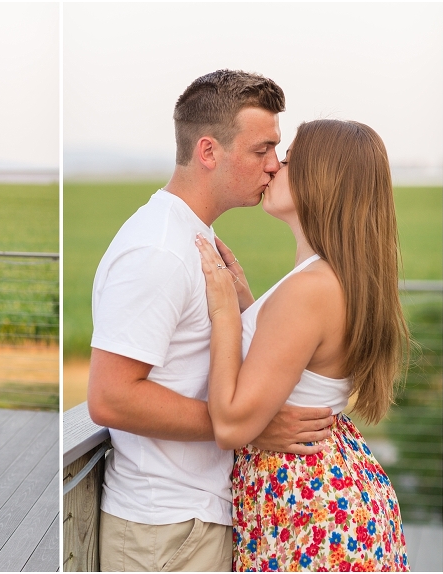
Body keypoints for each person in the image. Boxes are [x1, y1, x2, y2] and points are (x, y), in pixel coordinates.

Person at [87, 70, 335, 572]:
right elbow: (110, 396)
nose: (274, 166)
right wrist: (246, 427)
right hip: (167, 528)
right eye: (262, 150)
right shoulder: (159, 249)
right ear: (208, 151)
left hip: (193, 520)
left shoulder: (189, 238)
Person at [196, 119, 409, 571]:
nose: (273, 167)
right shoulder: (331, 277)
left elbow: (231, 424)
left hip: (309, 508)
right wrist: (251, 306)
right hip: (329, 494)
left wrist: (224, 316)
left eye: (288, 160)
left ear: (321, 180)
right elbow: (297, 368)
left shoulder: (309, 290)